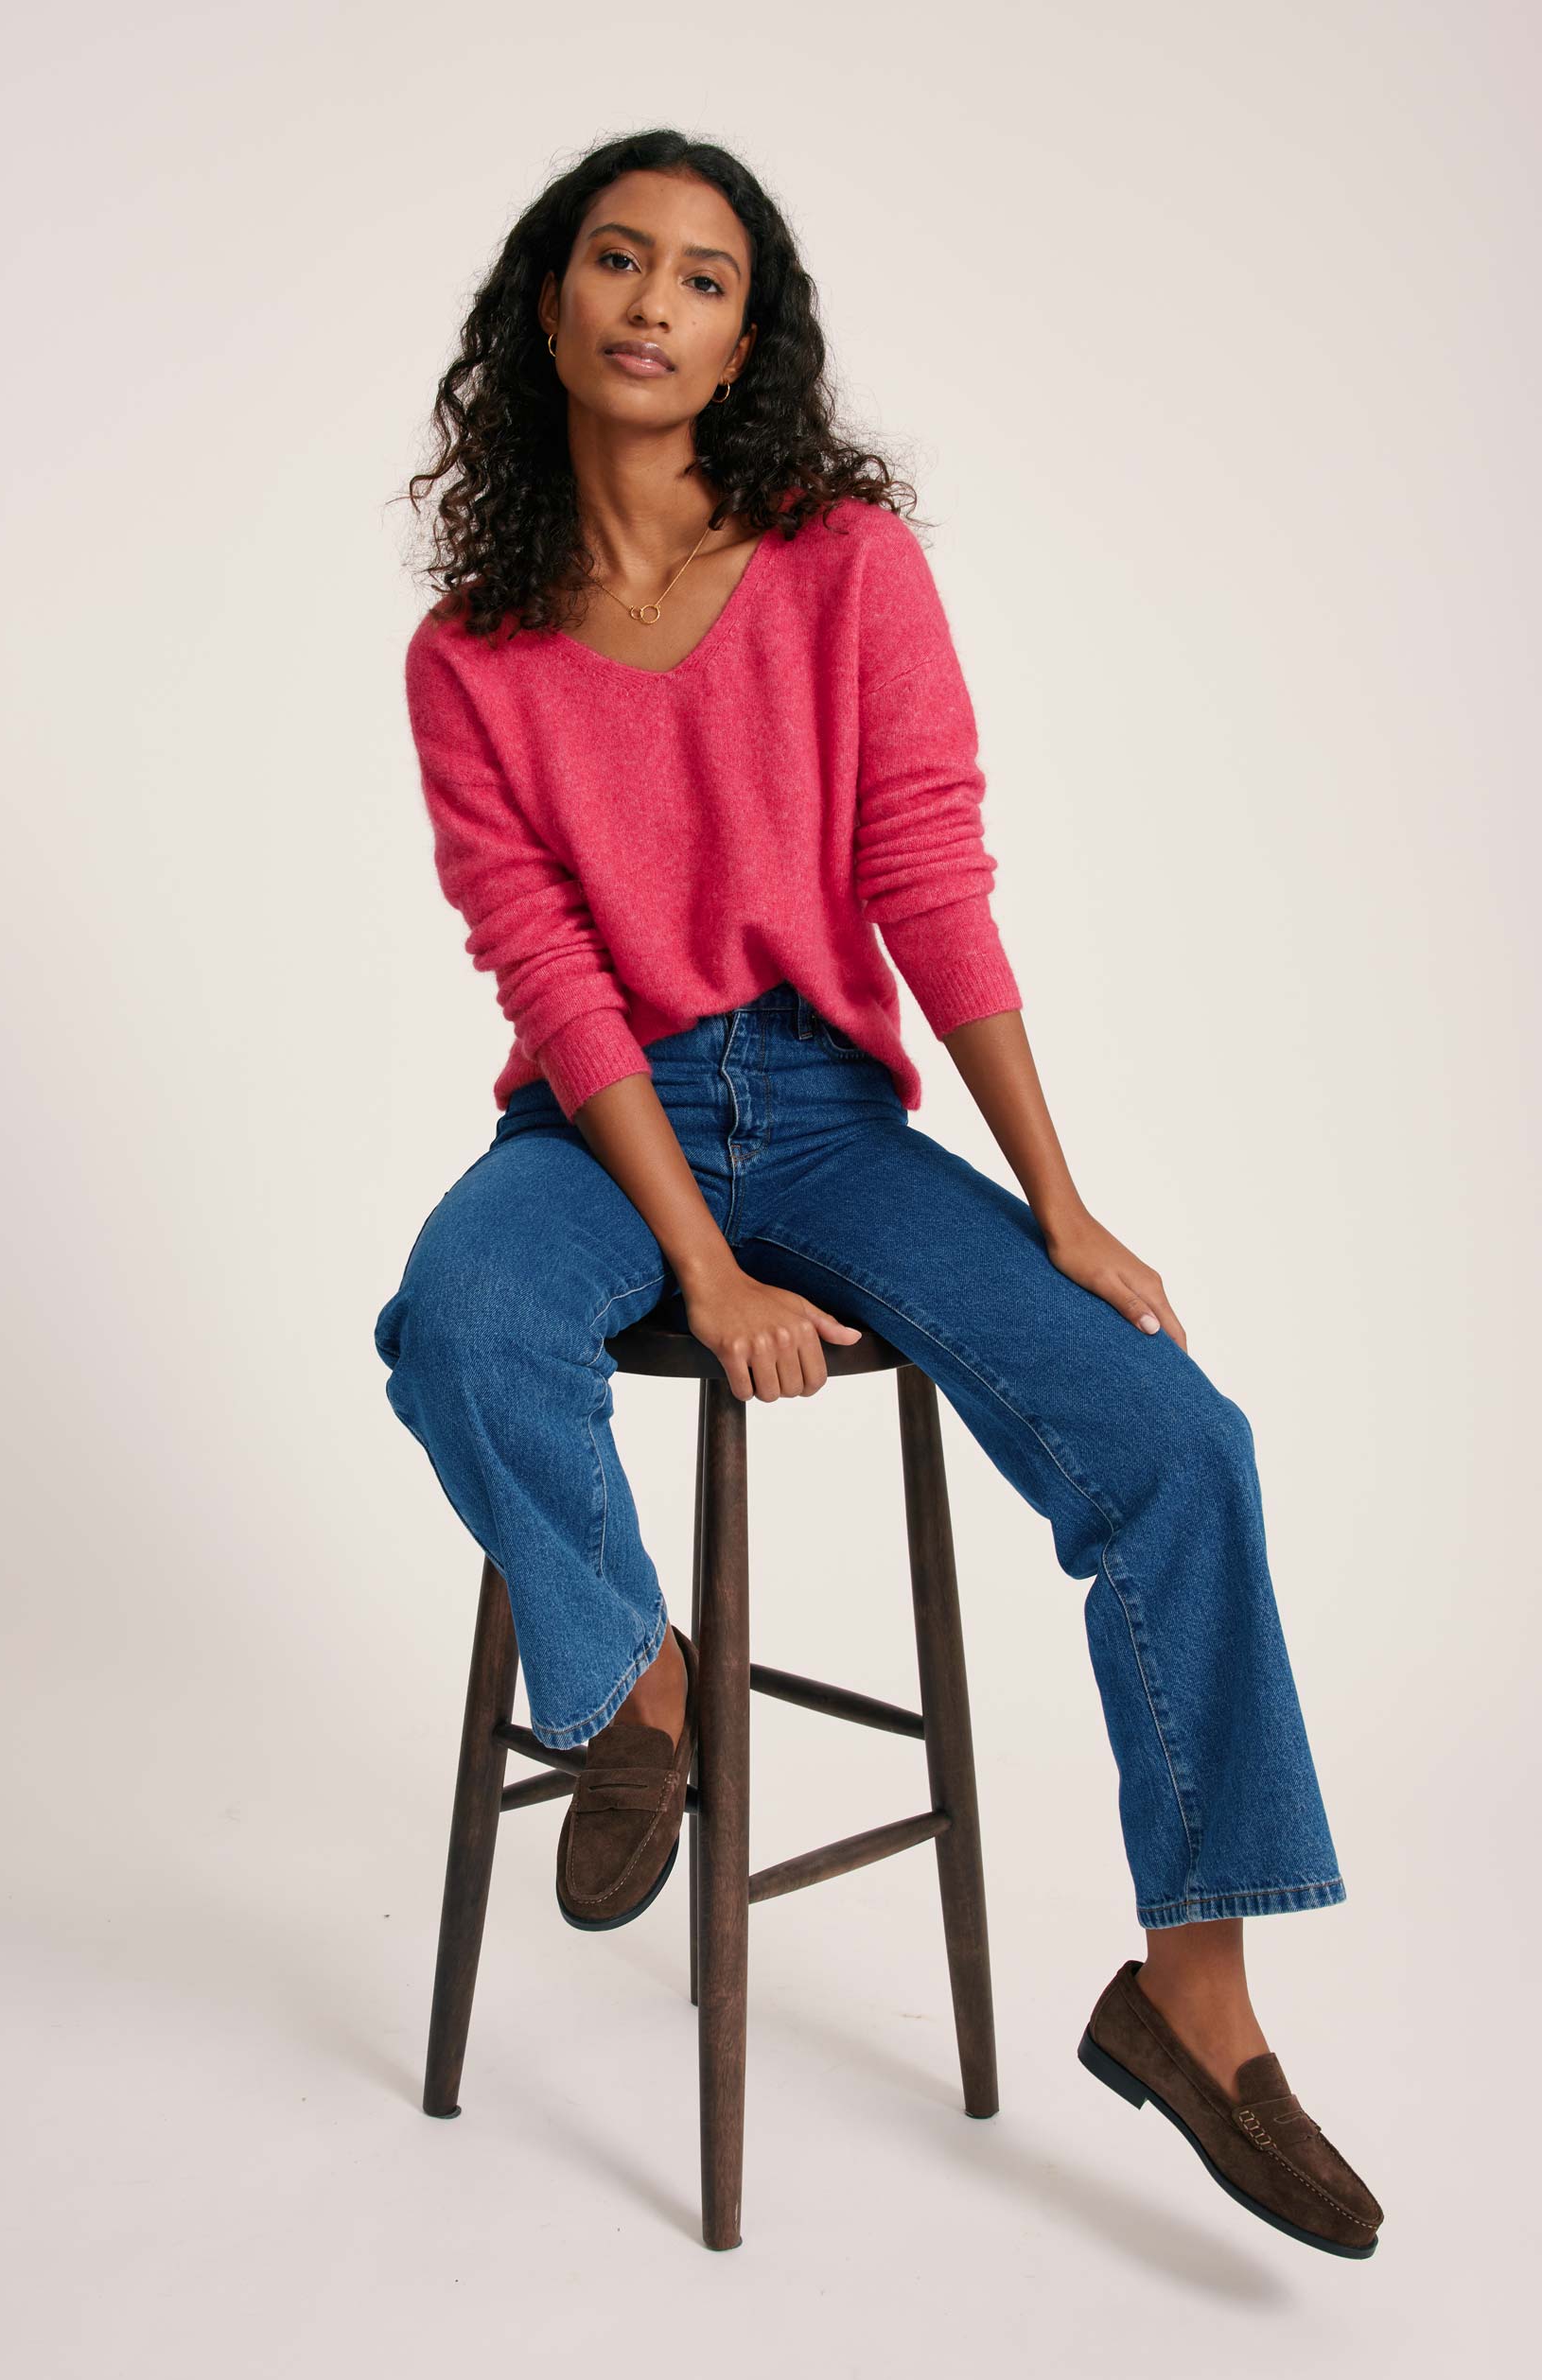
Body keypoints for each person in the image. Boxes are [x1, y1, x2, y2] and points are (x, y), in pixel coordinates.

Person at [373, 129, 1383, 2259]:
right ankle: (641, 1682)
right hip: (596, 1121)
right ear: (545, 304)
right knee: (458, 1320)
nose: (654, 300)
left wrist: (1061, 1201)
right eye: (616, 260)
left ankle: (1193, 2001)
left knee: (1175, 1441)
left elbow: (926, 878)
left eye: (705, 275)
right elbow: (550, 973)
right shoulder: (470, 651)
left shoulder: (843, 565)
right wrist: (699, 1256)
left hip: (825, 1112)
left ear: (751, 331)